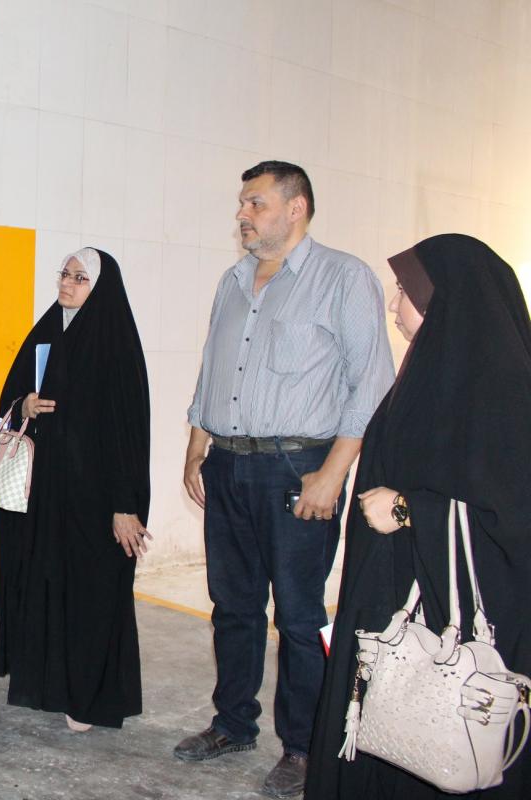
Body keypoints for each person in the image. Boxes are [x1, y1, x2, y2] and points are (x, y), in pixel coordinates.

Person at [176, 160, 394, 798]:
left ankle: (303, 747)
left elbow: (370, 384)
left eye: (256, 203)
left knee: (298, 615)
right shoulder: (233, 281)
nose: (242, 214)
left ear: (295, 208)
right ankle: (232, 723)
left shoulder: (343, 278)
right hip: (228, 464)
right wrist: (197, 447)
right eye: (242, 204)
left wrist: (332, 474)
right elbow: (213, 368)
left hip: (299, 468)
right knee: (233, 607)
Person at [306, 234, 531, 799]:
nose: (392, 303)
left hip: (457, 629)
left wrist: (409, 510)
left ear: (442, 301)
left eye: (404, 291)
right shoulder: (429, 373)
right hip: (396, 603)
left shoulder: (504, 393)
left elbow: (513, 516)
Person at [0, 247, 151, 731]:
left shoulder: (115, 345)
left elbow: (127, 433)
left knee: (92, 594)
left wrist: (125, 505)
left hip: (96, 501)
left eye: (80, 278)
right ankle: (50, 686)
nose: (67, 283)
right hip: (45, 497)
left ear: (100, 288)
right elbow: (9, 399)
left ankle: (88, 698)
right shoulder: (46, 332)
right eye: (65, 274)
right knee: (44, 583)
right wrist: (25, 405)